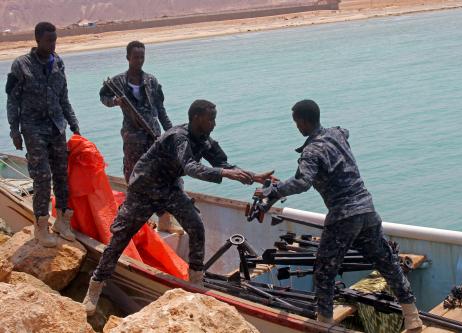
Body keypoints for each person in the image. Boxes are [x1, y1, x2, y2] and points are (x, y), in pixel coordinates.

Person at [82, 99, 273, 315]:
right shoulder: (178, 137)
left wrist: (252, 176)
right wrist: (225, 174)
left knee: (196, 226)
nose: (214, 123)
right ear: (196, 118)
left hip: (169, 188)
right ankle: (96, 285)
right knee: (121, 237)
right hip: (144, 187)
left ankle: (196, 281)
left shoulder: (205, 140)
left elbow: (224, 165)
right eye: (211, 119)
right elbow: (190, 167)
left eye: (215, 119)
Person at [259, 100, 422, 331]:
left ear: (303, 121)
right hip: (367, 210)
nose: (297, 127)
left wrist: (272, 191)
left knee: (324, 271)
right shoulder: (337, 134)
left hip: (343, 216)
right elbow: (344, 132)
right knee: (387, 262)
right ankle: (412, 316)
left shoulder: (310, 152)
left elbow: (303, 182)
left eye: (297, 123)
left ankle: (324, 323)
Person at [6, 22, 80, 247]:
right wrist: (14, 130)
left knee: (62, 175)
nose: (53, 44)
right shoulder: (21, 65)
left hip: (57, 126)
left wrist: (74, 124)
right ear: (37, 39)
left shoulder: (58, 62)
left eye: (55, 40)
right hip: (33, 127)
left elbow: (63, 97)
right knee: (42, 177)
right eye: (49, 40)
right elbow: (12, 99)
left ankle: (62, 222)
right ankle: (41, 227)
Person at [99, 40, 181, 234]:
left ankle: (164, 218)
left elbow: (161, 111)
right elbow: (103, 97)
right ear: (128, 58)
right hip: (132, 138)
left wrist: (171, 134)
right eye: (135, 57)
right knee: (134, 175)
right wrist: (115, 102)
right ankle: (138, 219)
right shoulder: (118, 82)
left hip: (154, 136)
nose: (139, 60)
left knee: (162, 174)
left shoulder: (151, 81)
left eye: (142, 57)